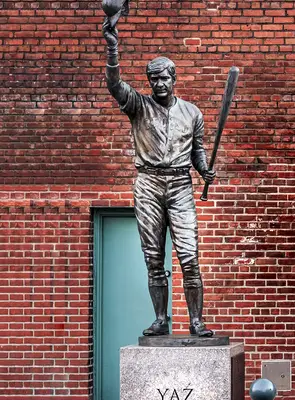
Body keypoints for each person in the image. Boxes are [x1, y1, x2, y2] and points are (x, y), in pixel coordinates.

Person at [103, 18, 215, 337]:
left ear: (173, 78)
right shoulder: (138, 106)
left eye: (164, 78)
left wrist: (204, 169)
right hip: (148, 184)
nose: (159, 84)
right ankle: (160, 319)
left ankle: (196, 320)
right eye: (154, 79)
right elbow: (114, 85)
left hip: (180, 185)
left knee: (190, 256)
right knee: (153, 257)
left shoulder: (192, 113)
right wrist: (112, 45)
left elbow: (198, 152)